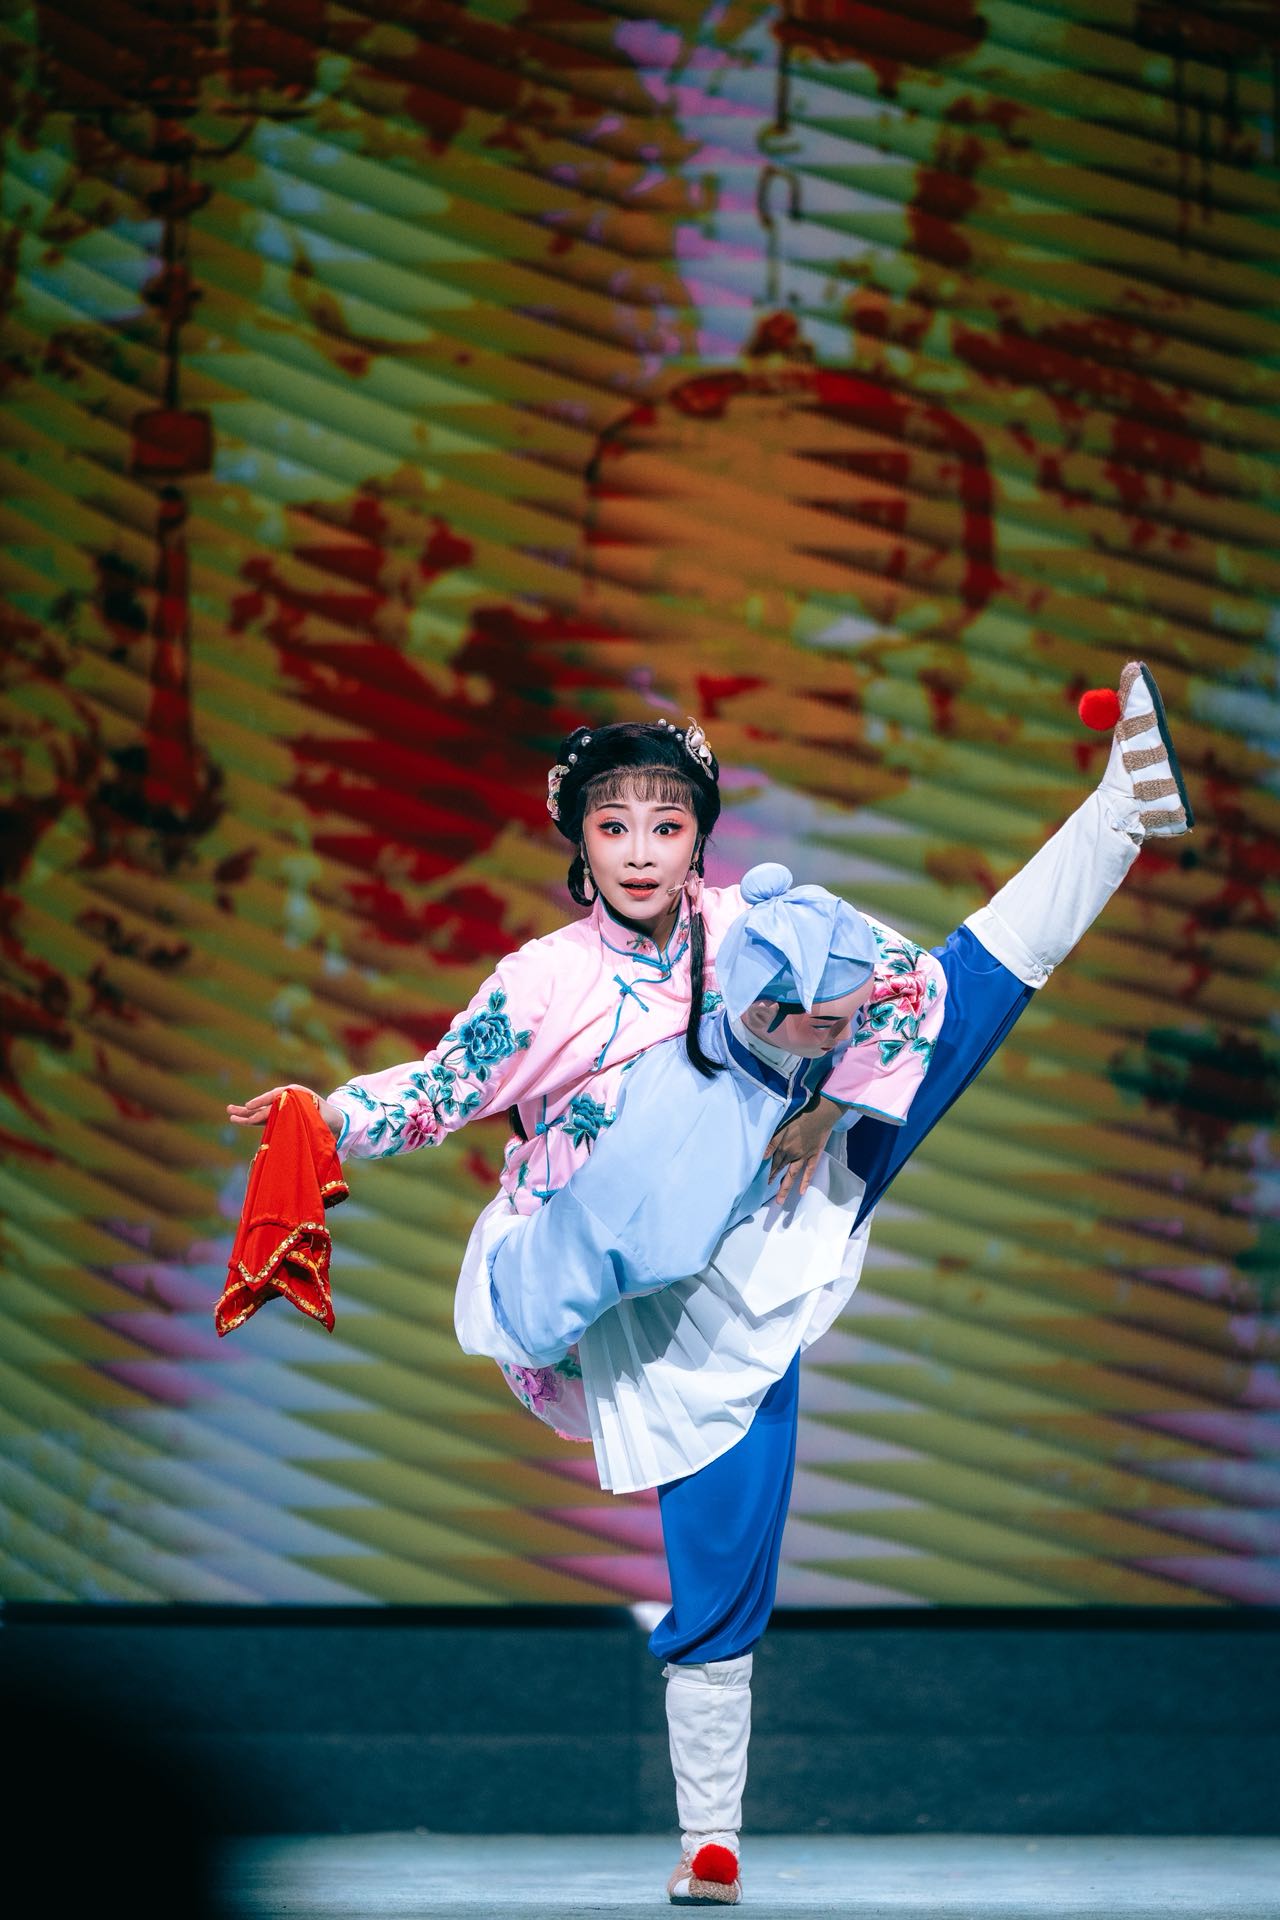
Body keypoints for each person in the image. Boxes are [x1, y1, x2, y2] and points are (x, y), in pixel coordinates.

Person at [227, 660, 1192, 1905]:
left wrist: (827, 1106)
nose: (640, 851)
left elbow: (907, 996)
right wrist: (323, 1116)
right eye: (613, 826)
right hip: (642, 1283)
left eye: (665, 825)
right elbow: (439, 1088)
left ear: (697, 840)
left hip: (769, 1218)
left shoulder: (752, 924)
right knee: (714, 1532)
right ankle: (707, 1836)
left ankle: (1121, 806)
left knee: (961, 988)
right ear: (579, 842)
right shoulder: (544, 980)